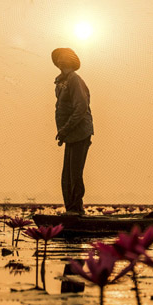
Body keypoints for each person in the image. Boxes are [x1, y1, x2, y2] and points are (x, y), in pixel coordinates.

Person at [52, 47, 94, 215]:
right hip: (70, 135)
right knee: (66, 176)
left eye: (63, 58)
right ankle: (71, 209)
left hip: (80, 132)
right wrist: (63, 133)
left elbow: (81, 107)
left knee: (75, 174)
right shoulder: (62, 82)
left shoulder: (75, 80)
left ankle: (76, 210)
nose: (60, 61)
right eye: (58, 58)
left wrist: (66, 129)